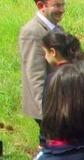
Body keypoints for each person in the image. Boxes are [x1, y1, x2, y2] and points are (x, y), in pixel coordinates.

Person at [19, 0, 66, 143]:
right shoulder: (32, 32)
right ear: (41, 6)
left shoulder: (56, 28)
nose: (62, 9)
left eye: (63, 5)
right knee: (50, 146)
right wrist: (46, 113)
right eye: (57, 5)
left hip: (59, 101)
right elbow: (35, 75)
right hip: (48, 105)